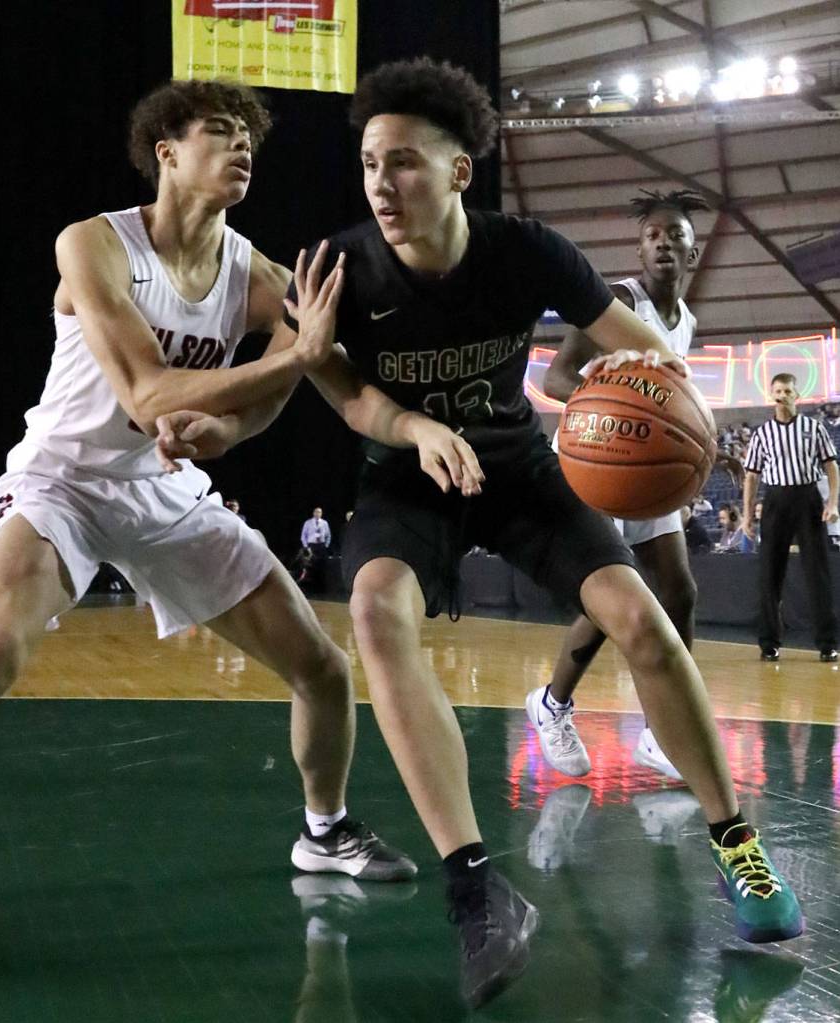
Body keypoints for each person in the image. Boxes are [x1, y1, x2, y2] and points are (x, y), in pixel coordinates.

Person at [158, 58, 802, 1009]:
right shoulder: (334, 269)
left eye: (406, 162)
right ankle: (476, 890)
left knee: (641, 616)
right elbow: (345, 397)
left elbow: (643, 343)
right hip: (406, 476)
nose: (382, 182)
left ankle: (736, 845)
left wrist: (659, 404)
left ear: (460, 173)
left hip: (519, 469)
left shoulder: (526, 249)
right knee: (375, 609)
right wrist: (416, 427)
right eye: (372, 162)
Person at [0, 79, 416, 907]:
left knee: (320, 667)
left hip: (163, 491)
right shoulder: (93, 245)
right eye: (219, 130)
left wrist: (232, 431)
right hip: (61, 480)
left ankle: (324, 828)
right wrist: (293, 357)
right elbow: (148, 394)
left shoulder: (258, 274)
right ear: (166, 153)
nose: (242, 145)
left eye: (249, 136)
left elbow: (289, 380)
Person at [533, 188, 721, 782]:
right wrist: (612, 404)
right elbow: (558, 378)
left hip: (645, 470)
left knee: (681, 592)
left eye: (676, 234)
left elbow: (673, 409)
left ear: (693, 253)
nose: (664, 240)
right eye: (653, 234)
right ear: (641, 250)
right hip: (593, 463)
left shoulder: (686, 322)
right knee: (621, 597)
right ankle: (552, 703)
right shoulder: (618, 301)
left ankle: (666, 733)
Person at [743, 373, 839, 661]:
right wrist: (748, 514)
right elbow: (751, 476)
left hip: (808, 499)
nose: (782, 395)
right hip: (775, 501)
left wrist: (833, 502)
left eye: (787, 390)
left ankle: (827, 643)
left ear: (796, 395)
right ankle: (769, 642)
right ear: (771, 395)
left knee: (817, 573)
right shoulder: (762, 433)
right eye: (777, 390)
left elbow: (831, 466)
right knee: (770, 574)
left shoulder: (814, 428)